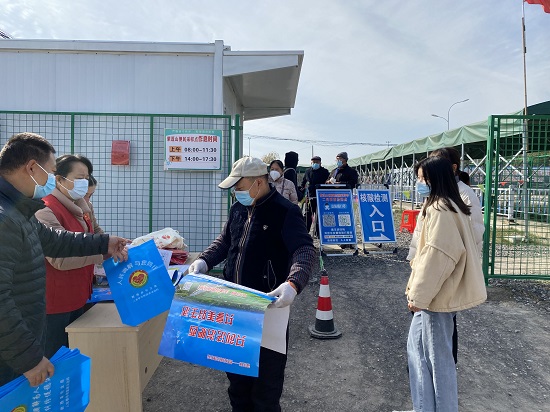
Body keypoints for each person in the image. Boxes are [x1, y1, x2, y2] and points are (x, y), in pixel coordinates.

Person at [188, 156, 315, 412]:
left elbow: (304, 250)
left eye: (239, 186)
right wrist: (203, 261)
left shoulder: (285, 212)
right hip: (234, 307)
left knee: (265, 389)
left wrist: (293, 283)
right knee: (237, 386)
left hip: (268, 312)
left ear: (258, 182)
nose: (235, 192)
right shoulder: (237, 209)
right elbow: (224, 242)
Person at [0, 132, 128, 387]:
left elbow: (57, 240)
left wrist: (105, 243)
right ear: (32, 168)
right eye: (50, 171)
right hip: (10, 352)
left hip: (21, 336)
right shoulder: (5, 219)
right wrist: (29, 359)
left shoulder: (20, 211)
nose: (51, 180)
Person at [406, 156, 486, 412]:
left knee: (437, 362)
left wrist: (418, 297)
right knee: (419, 354)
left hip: (435, 298)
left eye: (422, 179)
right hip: (437, 296)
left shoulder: (440, 209)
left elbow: (438, 256)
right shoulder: (448, 204)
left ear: (435, 179)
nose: (419, 183)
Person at [34, 154, 109, 357]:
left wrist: (116, 244)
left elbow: (97, 235)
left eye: (87, 177)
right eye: (79, 177)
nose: (84, 183)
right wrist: (103, 252)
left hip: (79, 295)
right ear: (59, 179)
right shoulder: (44, 209)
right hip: (55, 303)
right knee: (55, 360)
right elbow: (60, 258)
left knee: (74, 356)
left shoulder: (82, 206)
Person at [300, 155, 330, 236]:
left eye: (317, 162)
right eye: (313, 162)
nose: (315, 164)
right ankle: (305, 232)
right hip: (309, 196)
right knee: (307, 214)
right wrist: (302, 189)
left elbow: (328, 182)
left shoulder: (325, 172)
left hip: (320, 196)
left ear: (320, 163)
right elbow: (303, 182)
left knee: (318, 215)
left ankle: (318, 233)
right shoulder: (308, 171)